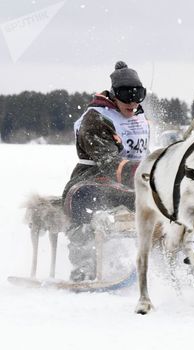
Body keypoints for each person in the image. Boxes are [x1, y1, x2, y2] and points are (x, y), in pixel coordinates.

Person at [62, 61, 150, 282]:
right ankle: (84, 265)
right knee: (88, 202)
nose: (132, 102)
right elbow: (110, 163)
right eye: (126, 96)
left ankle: (167, 259)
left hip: (135, 181)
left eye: (138, 95)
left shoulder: (139, 116)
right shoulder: (96, 119)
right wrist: (146, 175)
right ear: (113, 94)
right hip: (91, 179)